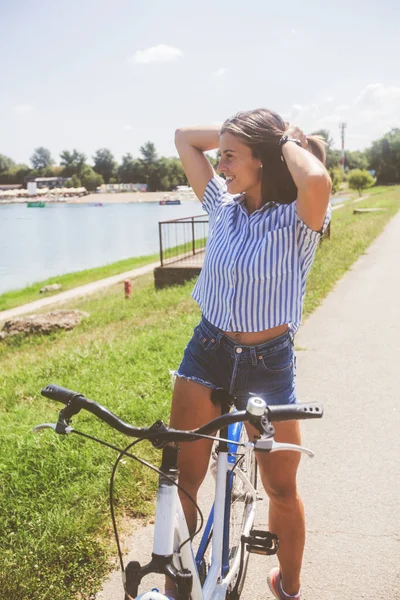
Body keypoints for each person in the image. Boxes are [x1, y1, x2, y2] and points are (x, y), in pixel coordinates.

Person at [168, 108, 331, 600]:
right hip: (207, 351)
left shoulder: (299, 218)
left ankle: (289, 584)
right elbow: (182, 137)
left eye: (231, 157)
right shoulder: (222, 203)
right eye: (221, 157)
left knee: (281, 487)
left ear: (265, 160)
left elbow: (317, 177)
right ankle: (183, 577)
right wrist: (237, 132)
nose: (220, 167)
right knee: (183, 474)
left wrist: (280, 137)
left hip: (269, 367)